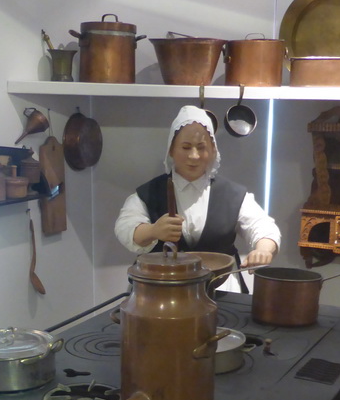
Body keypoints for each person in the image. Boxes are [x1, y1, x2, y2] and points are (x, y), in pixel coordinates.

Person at [114, 105, 280, 292]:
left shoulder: (232, 195)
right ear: (171, 149)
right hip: (160, 289)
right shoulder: (150, 192)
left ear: (213, 150)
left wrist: (263, 250)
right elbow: (125, 226)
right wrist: (153, 230)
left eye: (201, 148)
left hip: (220, 288)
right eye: (186, 147)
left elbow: (263, 226)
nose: (194, 156)